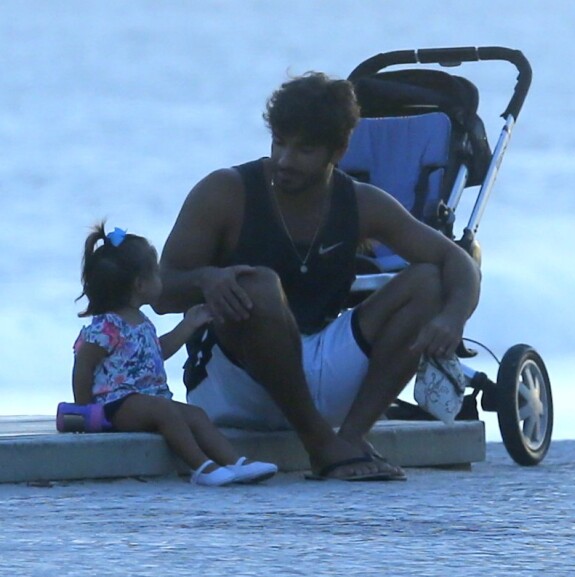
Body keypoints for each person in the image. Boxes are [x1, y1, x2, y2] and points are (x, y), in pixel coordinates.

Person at [155, 72, 481, 482]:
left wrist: (451, 318)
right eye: (279, 143)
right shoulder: (226, 192)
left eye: (304, 149)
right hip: (235, 387)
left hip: (318, 371)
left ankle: (351, 437)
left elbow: (457, 263)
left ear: (339, 149)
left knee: (429, 281)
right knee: (258, 284)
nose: (285, 160)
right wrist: (207, 279)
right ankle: (321, 445)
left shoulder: (361, 203)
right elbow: (160, 290)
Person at [71, 223, 278, 486]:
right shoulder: (107, 326)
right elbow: (83, 366)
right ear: (140, 285)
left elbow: (158, 353)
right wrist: (87, 412)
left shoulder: (141, 322)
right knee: (165, 411)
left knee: (196, 415)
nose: (161, 279)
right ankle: (202, 467)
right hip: (116, 405)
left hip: (150, 401)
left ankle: (235, 462)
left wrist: (188, 325)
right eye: (156, 273)